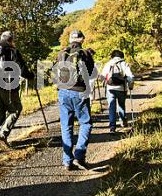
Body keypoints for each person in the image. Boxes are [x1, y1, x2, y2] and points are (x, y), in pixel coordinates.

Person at [55, 30, 96, 171]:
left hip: (62, 92)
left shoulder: (61, 53)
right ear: (82, 39)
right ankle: (79, 155)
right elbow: (91, 73)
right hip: (79, 92)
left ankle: (67, 161)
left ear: (70, 39)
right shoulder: (85, 53)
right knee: (86, 123)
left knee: (66, 126)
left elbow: (54, 72)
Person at [0, 31, 34, 148]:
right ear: (11, 40)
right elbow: (22, 70)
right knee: (16, 109)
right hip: (8, 85)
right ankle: (2, 134)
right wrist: (31, 75)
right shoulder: (12, 51)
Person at [100, 49, 134, 133]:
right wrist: (130, 86)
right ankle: (123, 122)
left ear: (112, 56)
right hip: (122, 88)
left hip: (110, 88)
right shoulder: (124, 63)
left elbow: (102, 77)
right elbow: (130, 77)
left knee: (111, 107)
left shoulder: (108, 63)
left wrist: (103, 82)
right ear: (121, 56)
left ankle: (112, 127)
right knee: (121, 105)